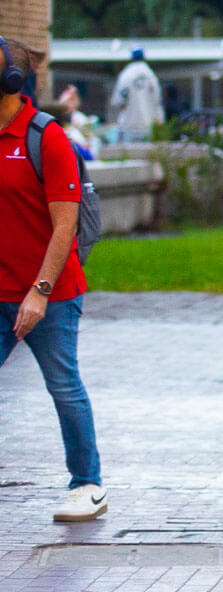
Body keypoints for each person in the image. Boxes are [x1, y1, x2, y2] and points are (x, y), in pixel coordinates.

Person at [0, 35, 107, 522]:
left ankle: (87, 483)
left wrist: (39, 293)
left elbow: (64, 224)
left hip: (50, 293)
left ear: (11, 80)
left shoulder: (46, 138)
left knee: (63, 385)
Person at [107, 48, 163, 143]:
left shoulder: (126, 75)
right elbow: (157, 100)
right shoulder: (150, 75)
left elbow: (117, 101)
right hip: (147, 125)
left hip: (128, 125)